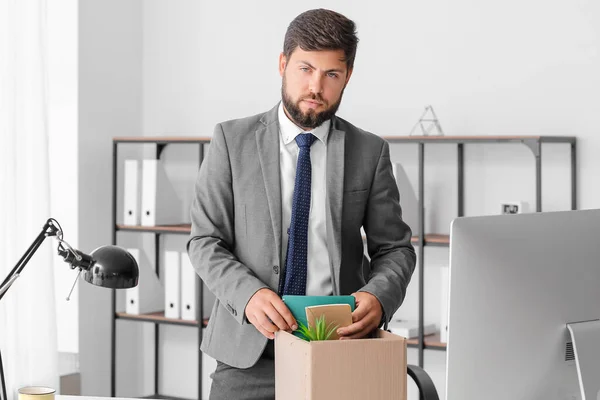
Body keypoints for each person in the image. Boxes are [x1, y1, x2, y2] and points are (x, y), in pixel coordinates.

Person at [187, 8, 416, 400]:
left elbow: (394, 248)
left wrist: (379, 296)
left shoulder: (369, 151)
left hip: (339, 347)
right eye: (305, 69)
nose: (316, 87)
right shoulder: (230, 140)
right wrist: (248, 295)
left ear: (347, 77)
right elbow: (205, 241)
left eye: (331, 75)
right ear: (283, 64)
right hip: (248, 354)